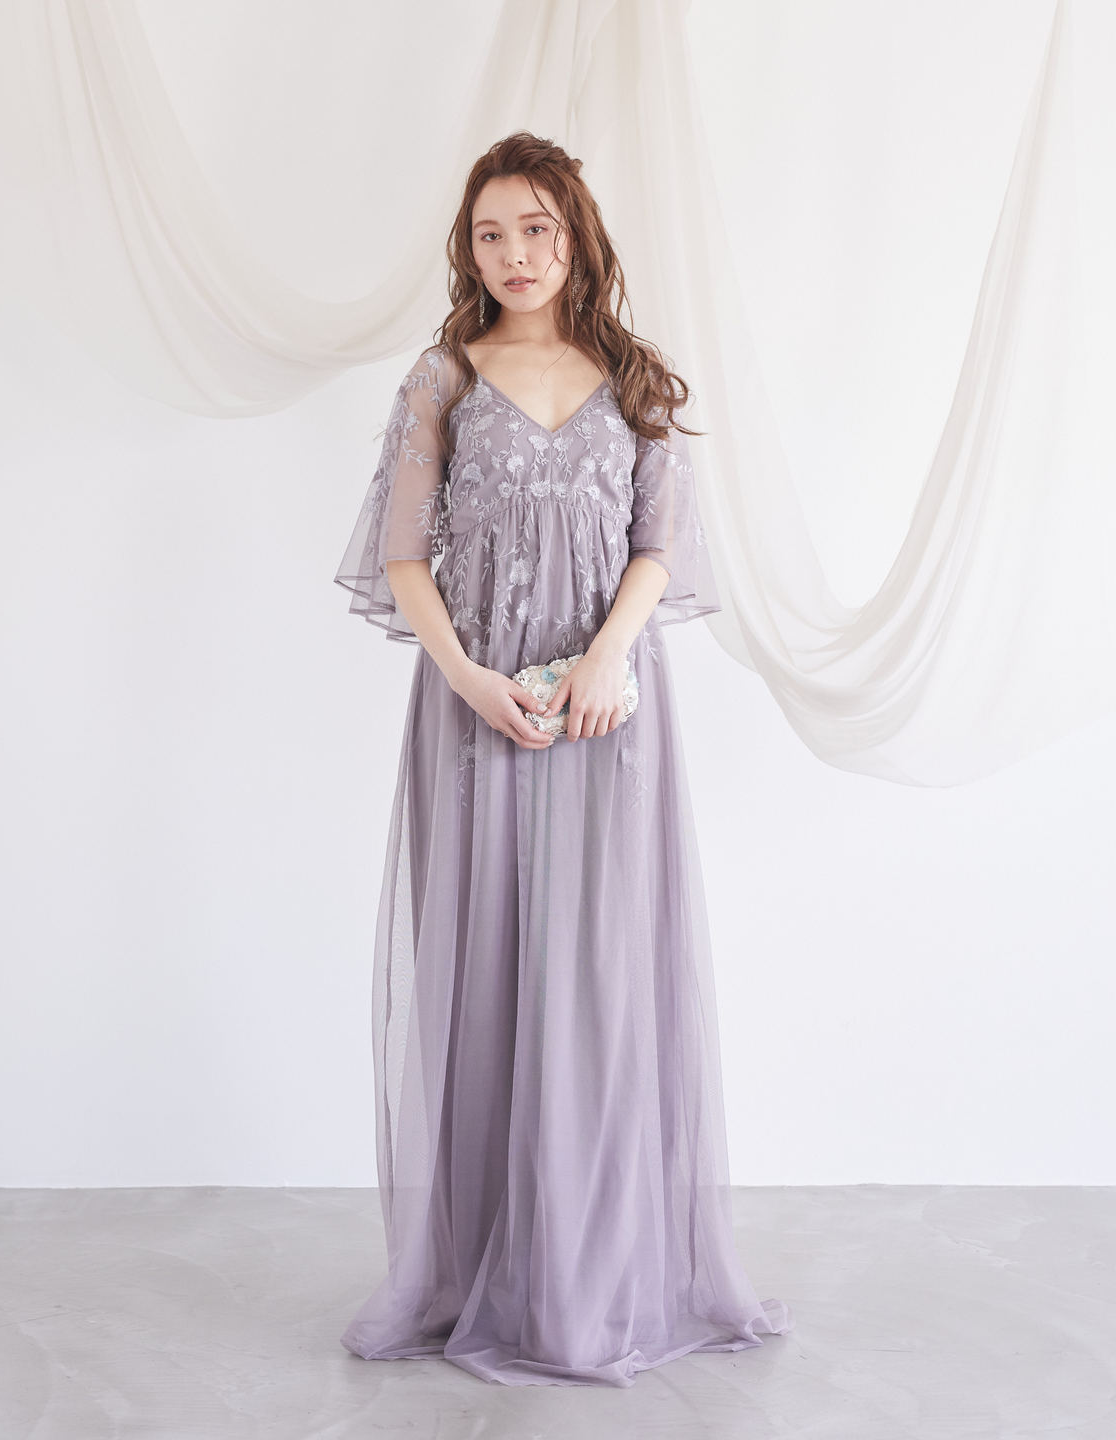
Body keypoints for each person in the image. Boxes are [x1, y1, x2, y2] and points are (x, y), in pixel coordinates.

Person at [333, 129, 792, 1388]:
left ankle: (597, 1272)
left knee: (601, 977)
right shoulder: (442, 379)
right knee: (487, 972)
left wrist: (606, 658)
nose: (515, 254)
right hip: (476, 718)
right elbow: (403, 555)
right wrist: (471, 680)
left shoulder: (634, 376)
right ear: (468, 250)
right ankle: (489, 1267)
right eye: (490, 234)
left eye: (536, 228)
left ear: (576, 235)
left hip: (608, 718)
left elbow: (659, 547)